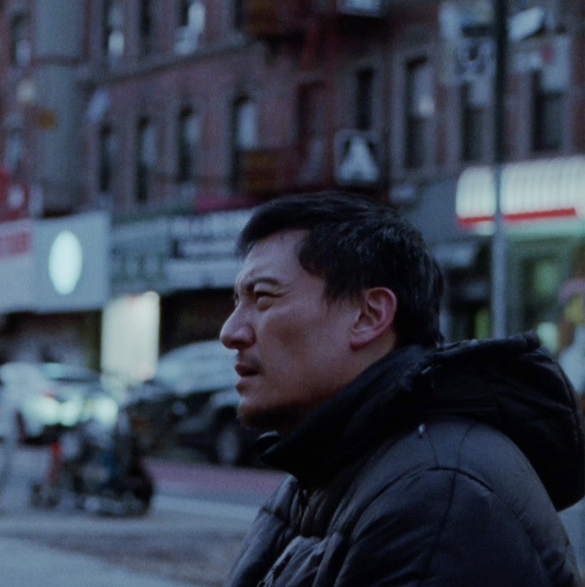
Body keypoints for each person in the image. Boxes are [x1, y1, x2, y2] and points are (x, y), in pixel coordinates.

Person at [220, 193, 584, 587]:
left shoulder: (437, 494)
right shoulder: (321, 472)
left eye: (263, 298)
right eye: (237, 302)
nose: (230, 332)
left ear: (369, 315)